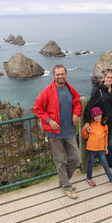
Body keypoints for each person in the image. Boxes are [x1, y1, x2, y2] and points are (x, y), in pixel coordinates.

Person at [34, 64, 82, 199]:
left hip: (70, 131)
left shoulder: (70, 89)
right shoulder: (48, 91)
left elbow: (77, 103)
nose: (60, 76)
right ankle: (67, 187)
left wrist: (76, 114)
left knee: (75, 158)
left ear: (66, 75)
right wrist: (49, 120)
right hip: (55, 134)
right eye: (58, 74)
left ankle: (63, 180)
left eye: (62, 74)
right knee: (60, 161)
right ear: (54, 76)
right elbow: (37, 108)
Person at [83, 69, 112, 177]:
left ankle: (109, 164)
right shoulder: (98, 90)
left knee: (110, 145)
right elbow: (89, 107)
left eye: (111, 77)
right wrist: (87, 122)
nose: (109, 79)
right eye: (107, 77)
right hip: (103, 124)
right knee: (107, 145)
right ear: (104, 78)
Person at [82, 107, 112, 189]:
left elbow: (105, 137)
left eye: (99, 115)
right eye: (95, 116)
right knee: (90, 164)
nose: (97, 117)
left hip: (101, 149)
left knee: (105, 165)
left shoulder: (104, 125)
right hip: (91, 149)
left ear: (101, 115)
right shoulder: (90, 125)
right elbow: (85, 136)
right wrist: (84, 129)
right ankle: (89, 178)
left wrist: (105, 147)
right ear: (92, 117)